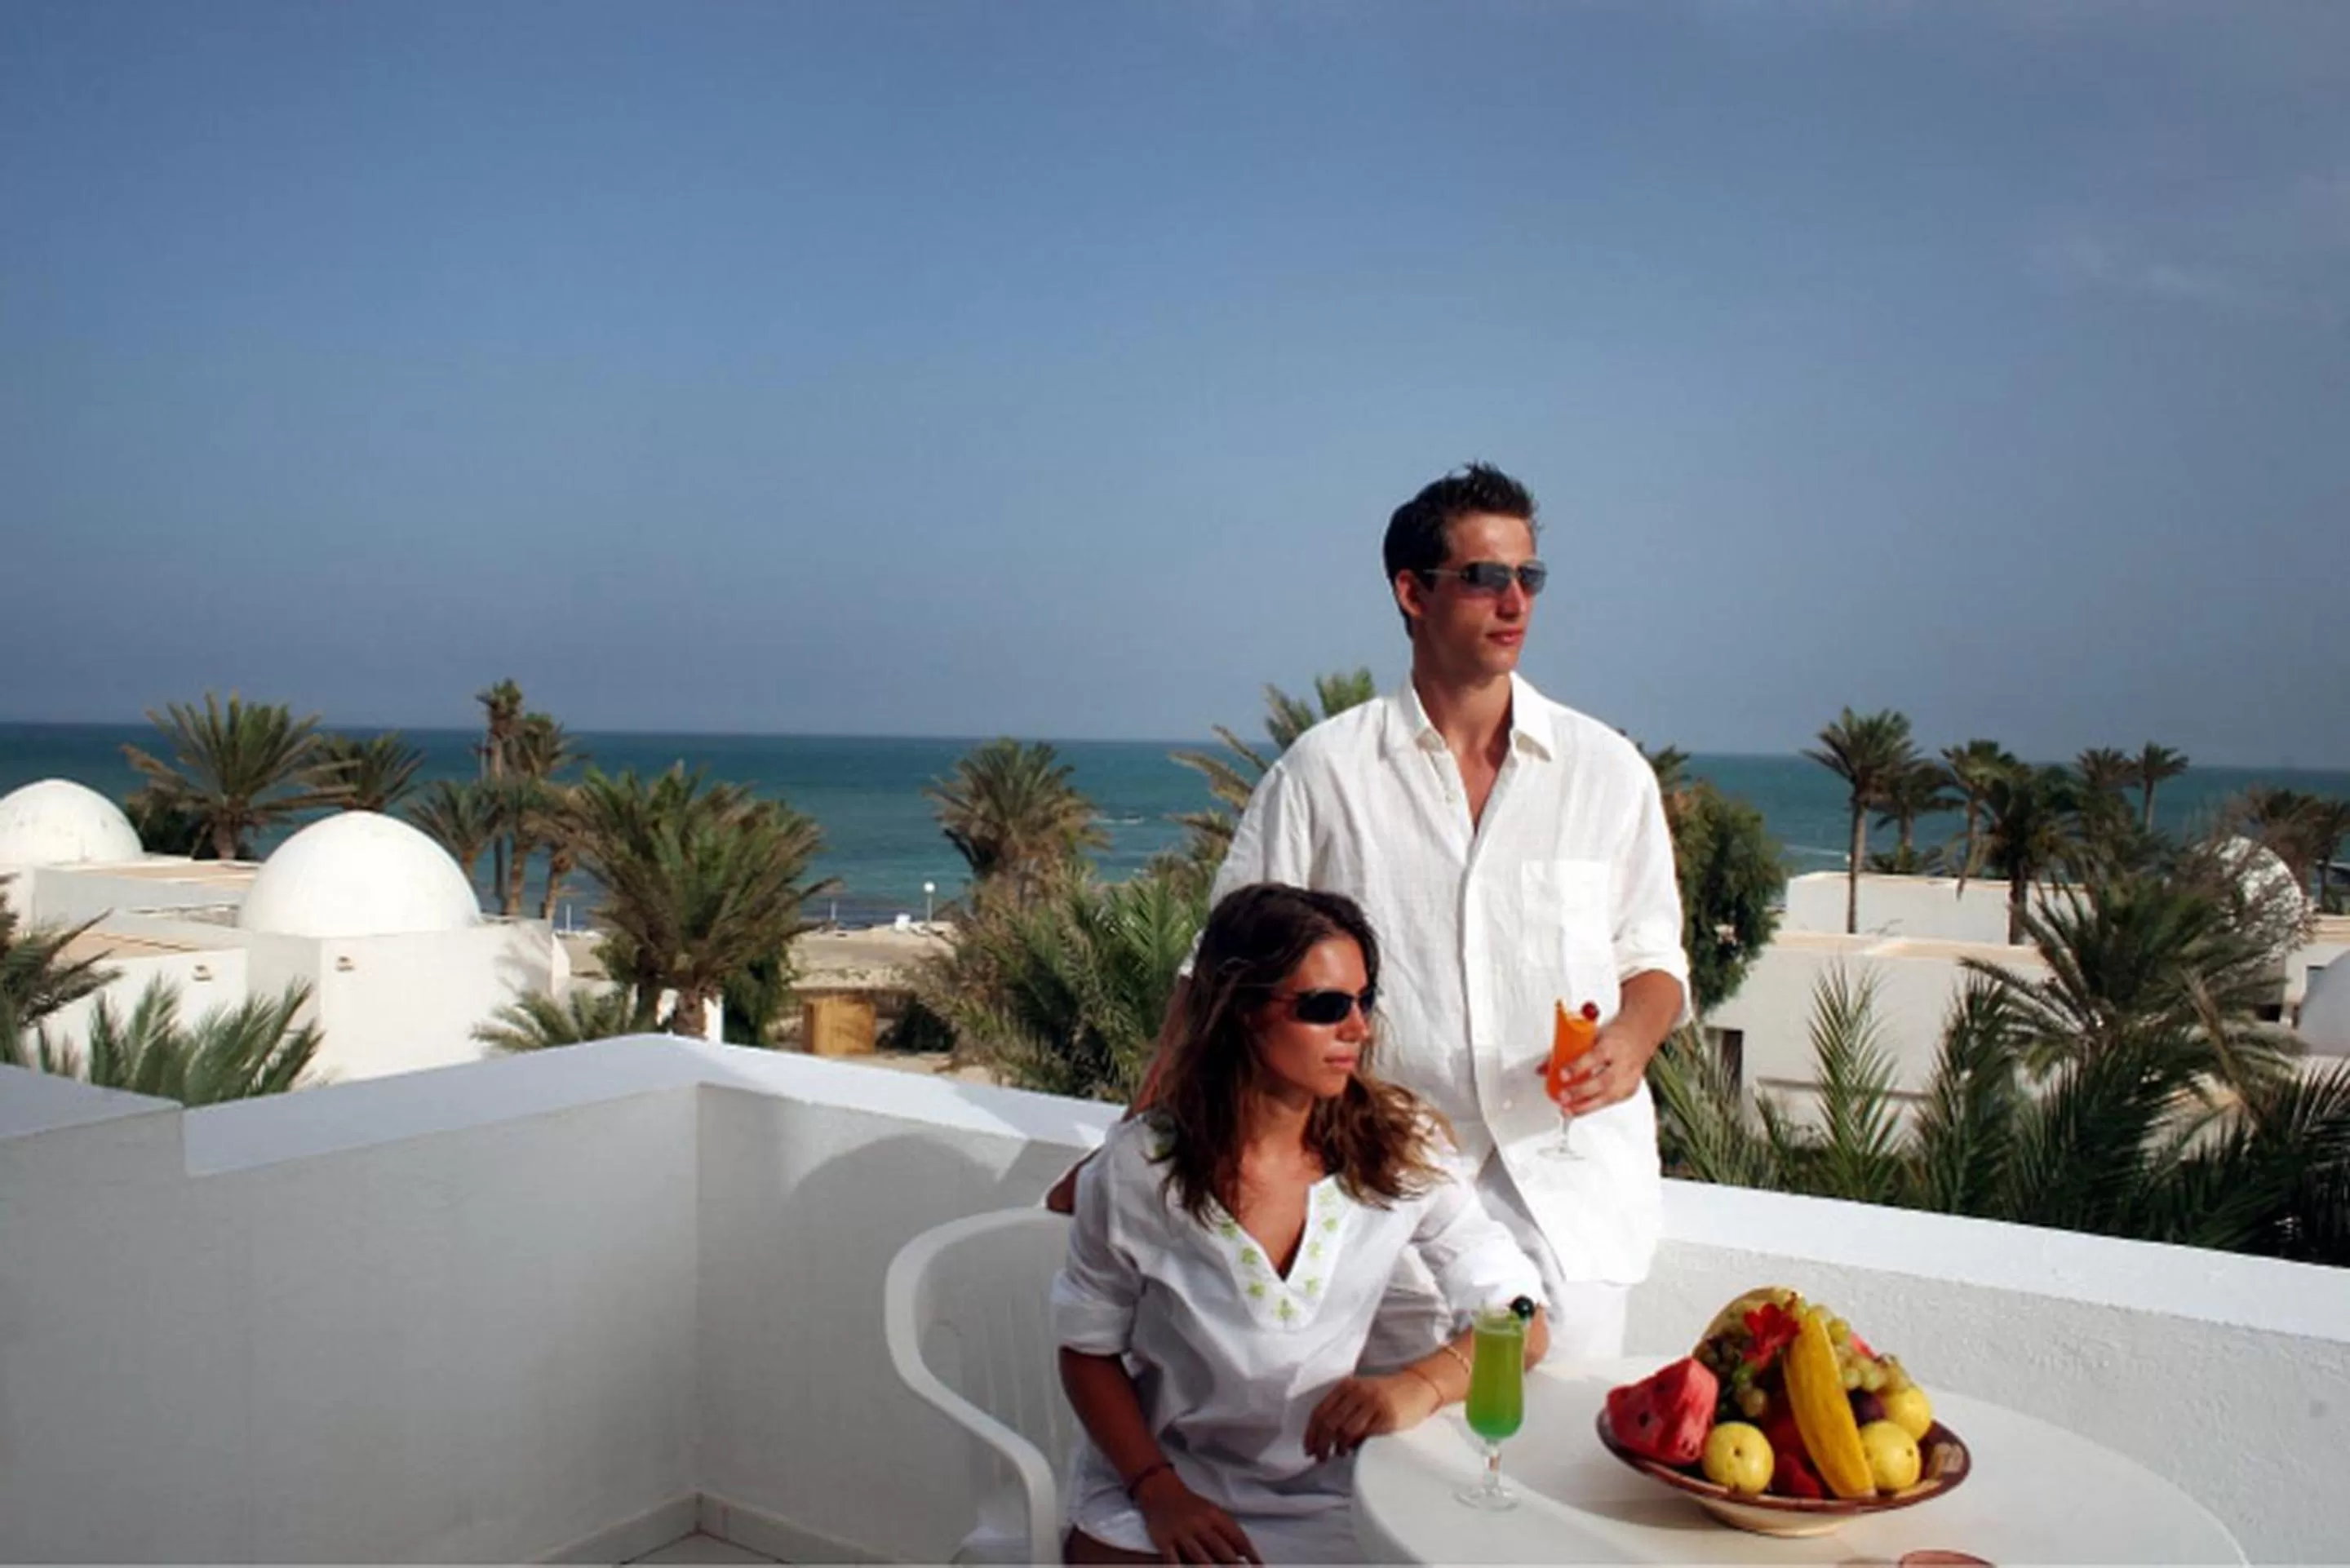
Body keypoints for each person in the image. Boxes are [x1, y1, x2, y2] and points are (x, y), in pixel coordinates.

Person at [1053, 883, 1547, 1566]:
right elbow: (1087, 1351)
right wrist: (1156, 1489)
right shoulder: (1141, 1171)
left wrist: (1418, 1386)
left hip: (1335, 1490)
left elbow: (1521, 1312)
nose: (1359, 1029)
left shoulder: (1394, 1151)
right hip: (1167, 1482)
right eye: (1325, 1007)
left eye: (1364, 1001)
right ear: (1243, 1011)